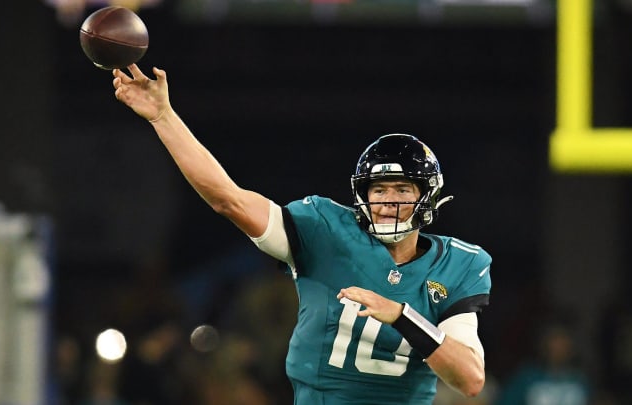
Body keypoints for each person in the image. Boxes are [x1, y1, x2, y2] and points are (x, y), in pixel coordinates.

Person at [111, 64, 492, 404]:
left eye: (403, 190)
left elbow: (471, 379)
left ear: (427, 197)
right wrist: (163, 117)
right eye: (379, 189)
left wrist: (402, 315)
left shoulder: (458, 263)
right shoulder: (324, 229)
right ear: (363, 196)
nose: (388, 201)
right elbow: (229, 200)